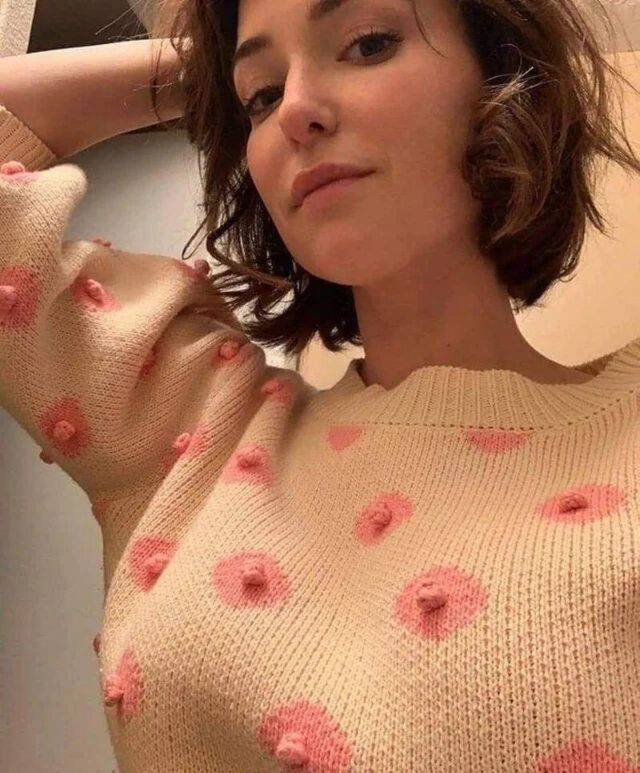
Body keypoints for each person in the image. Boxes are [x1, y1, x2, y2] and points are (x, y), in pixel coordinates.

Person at [1, 0, 640, 770]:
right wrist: (208, 72)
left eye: (367, 44)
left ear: (499, 72)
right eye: (262, 97)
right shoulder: (199, 433)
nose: (296, 111)